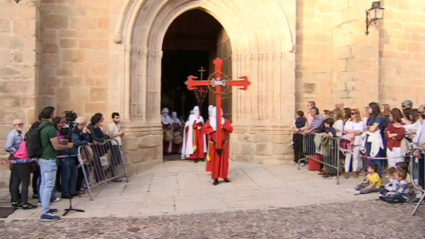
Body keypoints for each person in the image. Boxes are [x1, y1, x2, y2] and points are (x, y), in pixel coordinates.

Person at [38, 106, 74, 222]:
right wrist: (67, 146)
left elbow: (51, 142)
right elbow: (56, 146)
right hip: (49, 159)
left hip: (43, 158)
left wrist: (60, 141)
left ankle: (46, 208)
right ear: (51, 114)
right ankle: (45, 212)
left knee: (44, 184)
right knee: (48, 185)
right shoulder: (50, 128)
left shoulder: (42, 127)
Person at [10, 122, 40, 210]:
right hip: (23, 160)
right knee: (25, 182)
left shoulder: (28, 136)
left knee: (16, 181)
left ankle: (15, 201)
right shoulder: (33, 137)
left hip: (16, 158)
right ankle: (25, 203)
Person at [203, 106, 234, 185]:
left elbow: (231, 130)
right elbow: (204, 130)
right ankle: (216, 178)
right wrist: (213, 129)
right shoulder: (210, 122)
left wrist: (224, 125)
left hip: (224, 144)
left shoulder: (225, 121)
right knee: (215, 161)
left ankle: (224, 176)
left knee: (224, 161)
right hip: (214, 144)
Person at [363, 102, 386, 176]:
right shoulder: (370, 118)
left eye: (369, 108)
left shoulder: (379, 117)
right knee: (370, 158)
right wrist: (369, 128)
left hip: (375, 139)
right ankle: (371, 175)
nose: (368, 110)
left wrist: (369, 128)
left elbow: (373, 129)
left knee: (376, 158)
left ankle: (378, 175)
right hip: (369, 138)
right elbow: (366, 128)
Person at [5, 119, 24, 200]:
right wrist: (17, 153)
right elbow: (8, 147)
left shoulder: (19, 134)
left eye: (21, 124)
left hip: (18, 157)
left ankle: (16, 194)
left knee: (16, 177)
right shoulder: (12, 135)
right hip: (15, 157)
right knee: (14, 177)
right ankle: (14, 196)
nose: (21, 125)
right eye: (19, 124)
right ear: (14, 125)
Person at [343, 108, 364, 178]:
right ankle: (346, 170)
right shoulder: (348, 122)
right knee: (348, 156)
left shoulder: (360, 122)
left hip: (357, 140)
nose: (351, 115)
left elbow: (360, 131)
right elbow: (346, 130)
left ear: (356, 114)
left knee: (356, 156)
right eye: (351, 113)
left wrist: (352, 131)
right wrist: (354, 131)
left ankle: (355, 170)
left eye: (353, 113)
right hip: (349, 140)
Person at [72, 117, 91, 195]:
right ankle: (76, 188)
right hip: (76, 153)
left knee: (83, 171)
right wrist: (85, 141)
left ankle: (80, 186)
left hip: (82, 153)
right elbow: (77, 142)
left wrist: (85, 134)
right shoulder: (74, 132)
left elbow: (87, 139)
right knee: (78, 172)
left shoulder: (81, 131)